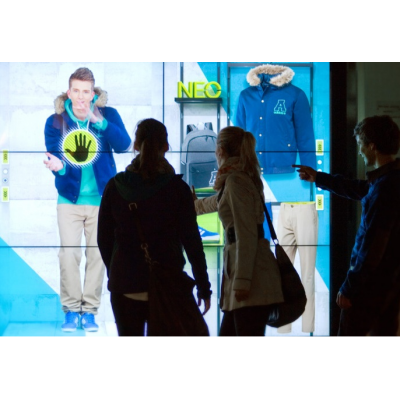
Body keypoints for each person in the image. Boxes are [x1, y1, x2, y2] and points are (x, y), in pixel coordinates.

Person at [97, 118, 212, 336]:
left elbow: (103, 239)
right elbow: (192, 243)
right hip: (167, 285)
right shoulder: (178, 189)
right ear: (166, 146)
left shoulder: (115, 186)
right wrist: (204, 287)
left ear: (136, 145)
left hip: (125, 287)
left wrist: (118, 273)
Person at [294, 115, 400, 336]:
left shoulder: (384, 187)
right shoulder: (389, 180)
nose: (360, 151)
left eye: (361, 145)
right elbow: (360, 188)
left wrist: (350, 287)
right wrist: (320, 178)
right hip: (387, 285)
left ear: (373, 146)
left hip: (370, 289)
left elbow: (372, 246)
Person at [44, 67, 131, 332]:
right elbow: (56, 158)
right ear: (69, 92)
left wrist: (99, 121)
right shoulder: (56, 121)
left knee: (98, 256)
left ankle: (90, 311)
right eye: (76, 91)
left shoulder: (108, 115)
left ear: (93, 93)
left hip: (103, 200)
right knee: (68, 256)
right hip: (68, 200)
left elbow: (125, 144)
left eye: (86, 92)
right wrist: (58, 167)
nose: (81, 97)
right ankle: (71, 311)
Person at [193, 126, 284, 336]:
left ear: (221, 150)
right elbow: (220, 202)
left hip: (250, 278)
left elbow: (246, 233)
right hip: (250, 273)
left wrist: (242, 281)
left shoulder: (235, 181)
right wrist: (195, 206)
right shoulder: (240, 177)